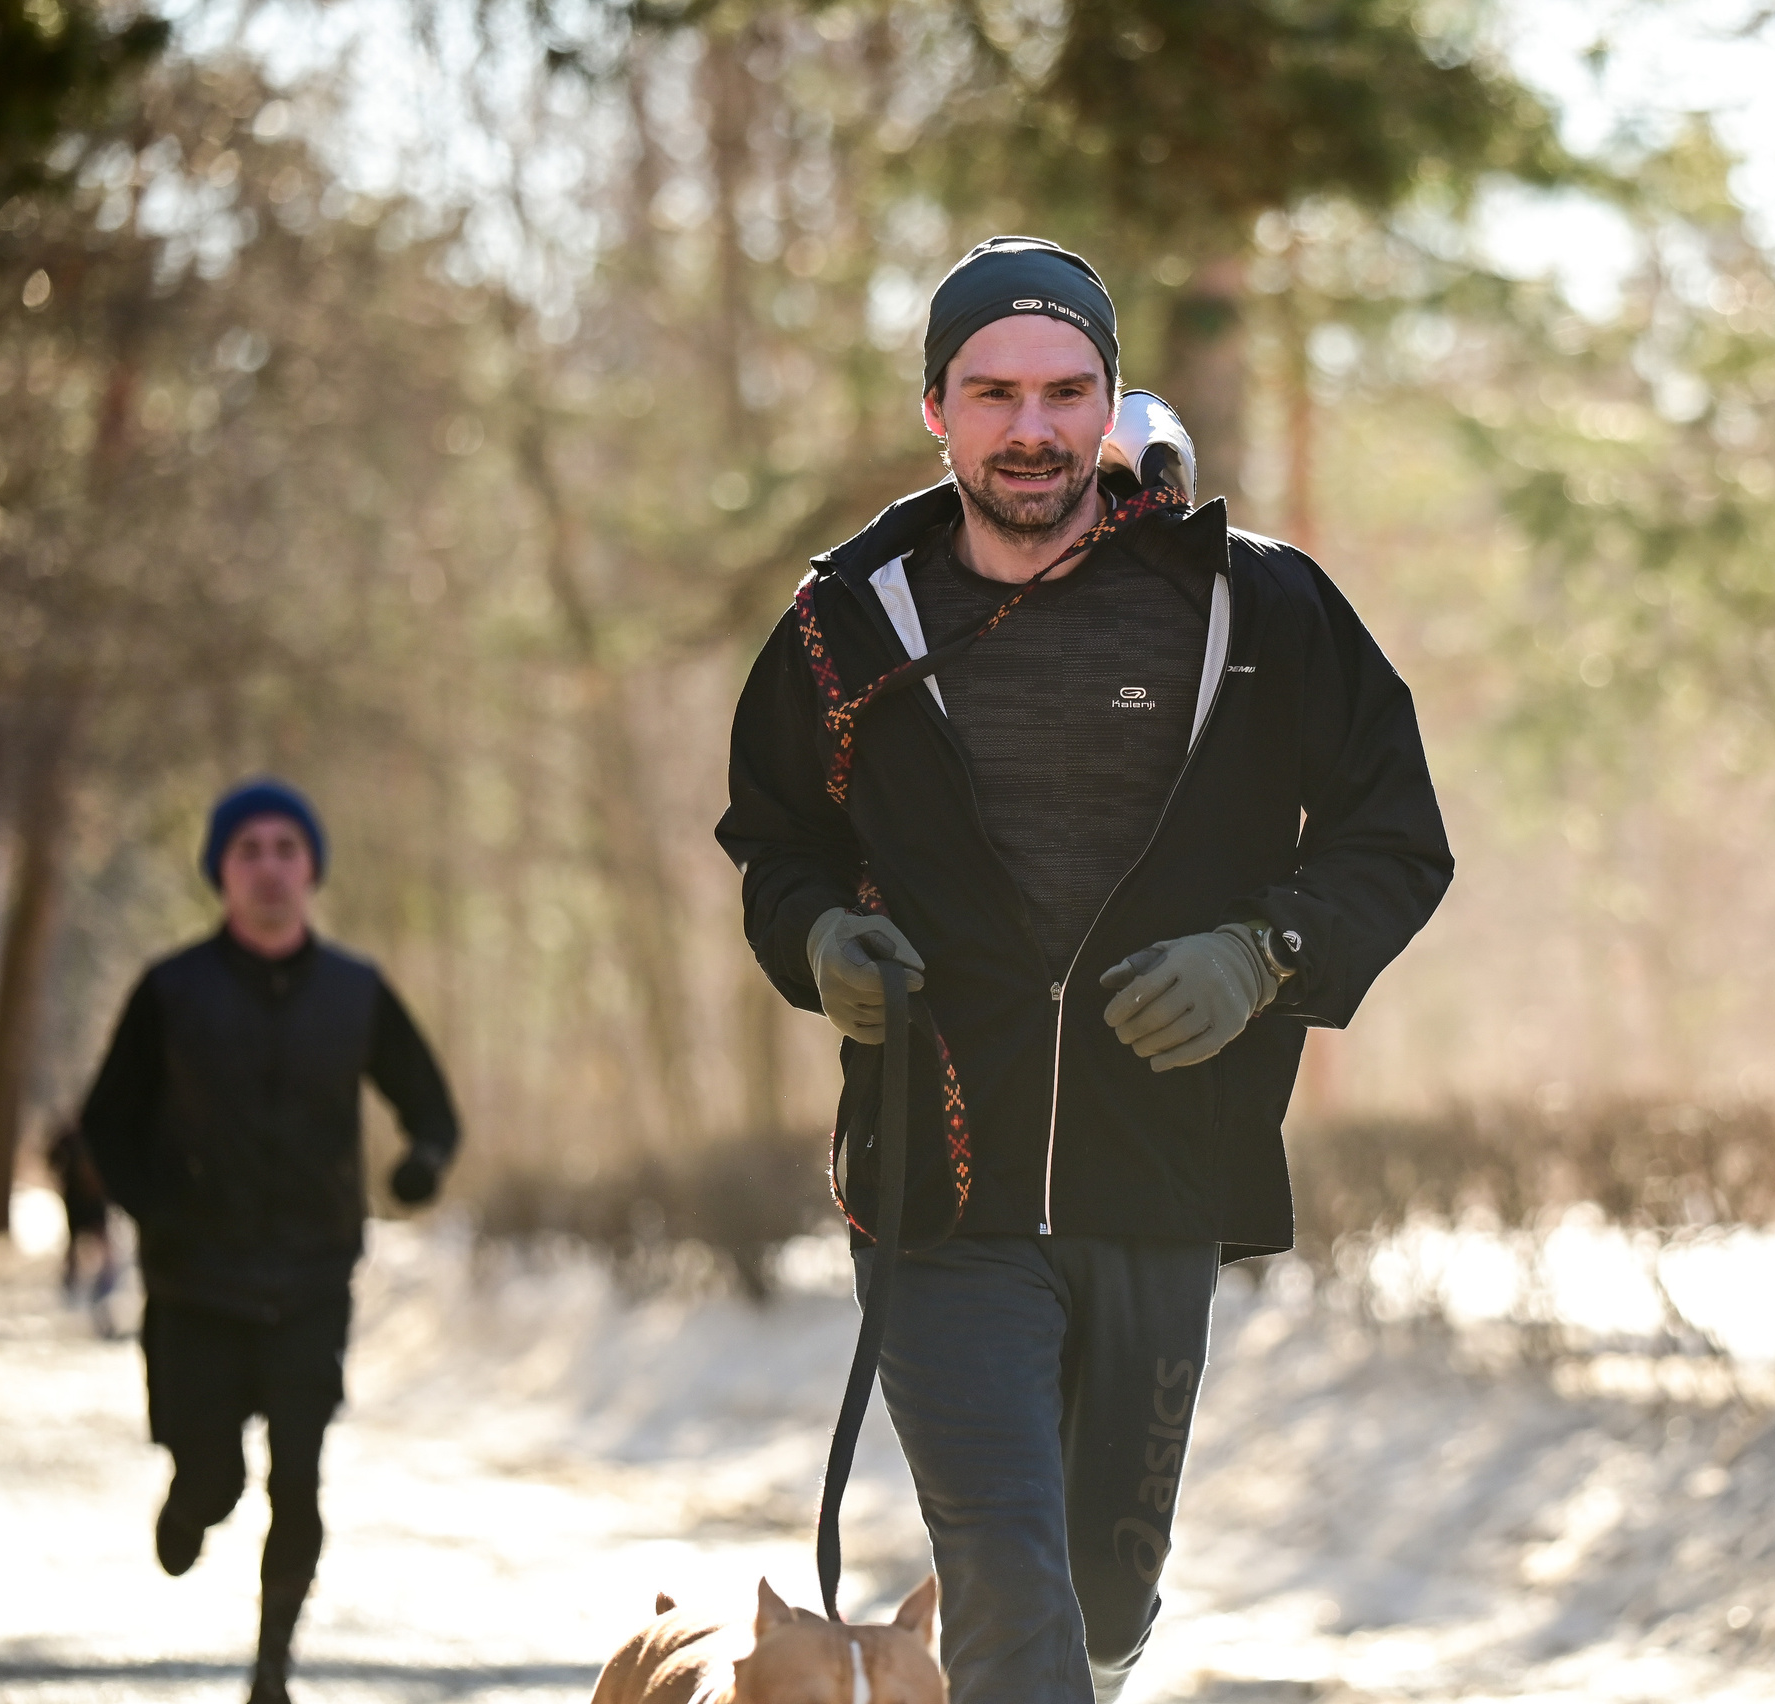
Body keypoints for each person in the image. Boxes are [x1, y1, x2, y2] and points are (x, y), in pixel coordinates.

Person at [717, 236, 1452, 1704]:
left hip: (1160, 1169)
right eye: (993, 393)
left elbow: (1394, 840)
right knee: (1006, 1576)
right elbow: (777, 843)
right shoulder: (846, 622)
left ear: (1111, 404)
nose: (1032, 427)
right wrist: (816, 940)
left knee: (1102, 1607)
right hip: (938, 1185)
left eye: (1065, 391)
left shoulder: (1260, 609)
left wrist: (1263, 955)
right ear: (937, 409)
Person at [78, 778, 459, 1704]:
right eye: (248, 850)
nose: (270, 868)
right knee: (213, 1478)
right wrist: (158, 1207)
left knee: (299, 1479)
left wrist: (421, 1162)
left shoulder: (355, 991)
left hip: (310, 1278)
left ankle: (272, 1670)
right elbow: (105, 1123)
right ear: (221, 872)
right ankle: (192, 1501)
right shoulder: (172, 990)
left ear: (312, 869)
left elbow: (430, 1106)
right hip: (195, 1283)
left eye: (288, 849)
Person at [45, 1118, 122, 1335]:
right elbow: (51, 1159)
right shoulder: (71, 1137)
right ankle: (70, 1282)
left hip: (94, 1201)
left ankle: (104, 1281)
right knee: (75, 1242)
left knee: (101, 1242)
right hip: (77, 1200)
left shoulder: (97, 1136)